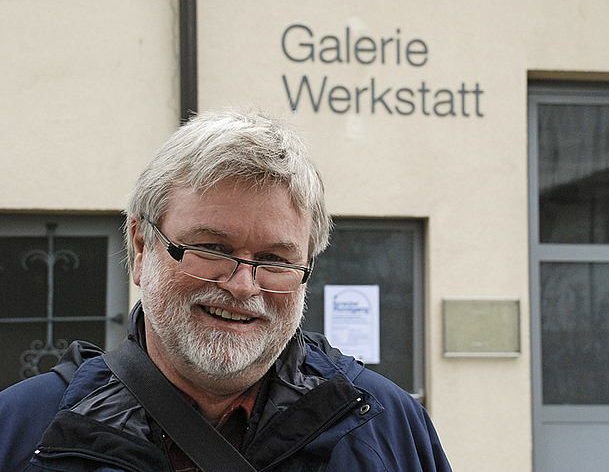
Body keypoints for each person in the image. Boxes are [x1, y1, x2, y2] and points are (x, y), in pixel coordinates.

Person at [0, 108, 452, 471]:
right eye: (212, 248)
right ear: (141, 247)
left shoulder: (386, 427)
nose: (242, 286)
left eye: (275, 259)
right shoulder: (22, 431)